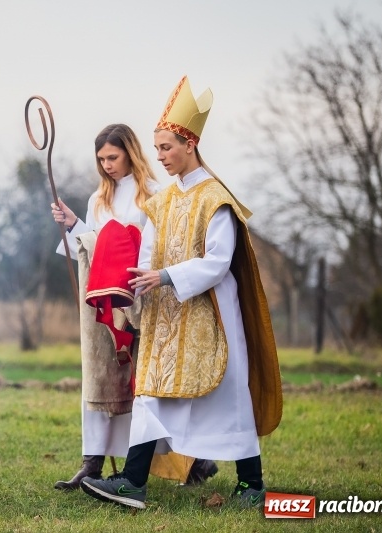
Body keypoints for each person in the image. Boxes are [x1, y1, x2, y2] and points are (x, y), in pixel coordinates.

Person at [80, 76, 282, 510]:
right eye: (156, 149)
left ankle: (252, 483)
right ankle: (133, 484)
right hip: (166, 317)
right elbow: (149, 254)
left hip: (211, 316)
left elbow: (218, 261)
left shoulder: (215, 198)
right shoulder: (164, 200)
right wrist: (134, 283)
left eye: (167, 148)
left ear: (189, 144)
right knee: (150, 393)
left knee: (228, 397)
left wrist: (167, 277)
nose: (160, 157)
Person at [50, 124, 217, 491]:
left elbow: (161, 247)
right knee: (100, 376)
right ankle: (91, 461)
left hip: (144, 296)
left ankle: (192, 459)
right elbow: (92, 247)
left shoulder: (157, 194)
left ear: (129, 152)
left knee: (145, 385)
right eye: (101, 160)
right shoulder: (98, 199)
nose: (107, 165)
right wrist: (74, 224)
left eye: (113, 156)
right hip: (105, 303)